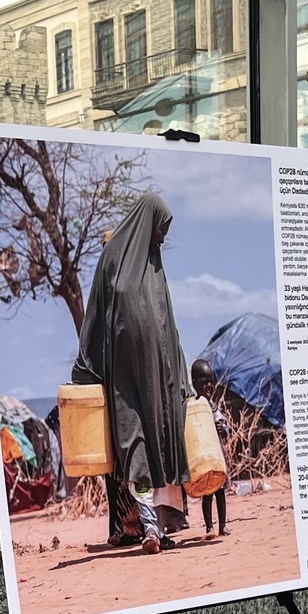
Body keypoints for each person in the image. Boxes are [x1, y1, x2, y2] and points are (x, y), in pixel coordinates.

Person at [72, 192, 191, 553]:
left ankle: (155, 528)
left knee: (160, 450)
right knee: (134, 448)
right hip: (123, 376)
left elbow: (168, 324)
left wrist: (181, 374)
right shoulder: (111, 259)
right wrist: (85, 367)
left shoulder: (155, 265)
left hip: (160, 377)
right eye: (161, 228)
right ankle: (150, 528)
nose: (163, 237)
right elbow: (95, 312)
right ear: (147, 220)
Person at [190, 357, 230, 537]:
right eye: (204, 383)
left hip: (218, 457)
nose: (208, 386)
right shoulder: (194, 407)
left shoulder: (214, 408)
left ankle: (223, 525)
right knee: (207, 494)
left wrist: (224, 429)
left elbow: (225, 428)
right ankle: (209, 527)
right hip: (204, 458)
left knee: (220, 493)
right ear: (194, 383)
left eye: (211, 382)